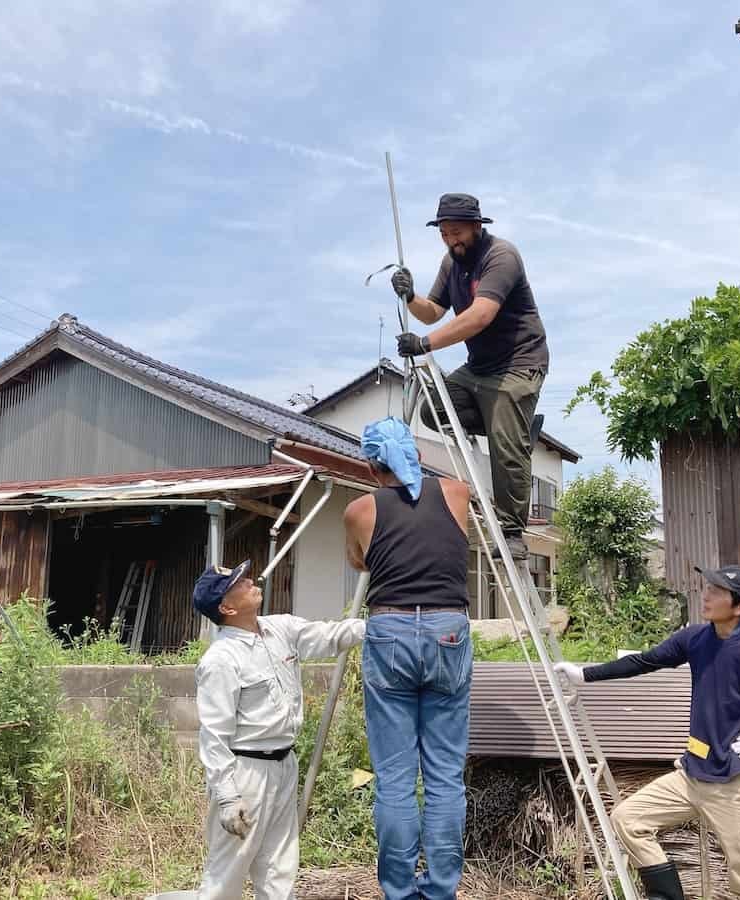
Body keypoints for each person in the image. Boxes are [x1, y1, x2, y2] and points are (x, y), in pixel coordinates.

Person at [555, 565, 740, 900]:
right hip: (691, 776)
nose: (706, 595)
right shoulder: (696, 638)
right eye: (707, 588)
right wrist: (584, 675)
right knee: (628, 819)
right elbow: (644, 661)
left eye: (716, 592)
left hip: (735, 785)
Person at [342, 417, 473, 900]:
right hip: (448, 630)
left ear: (371, 464)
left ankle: (398, 892)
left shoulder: (359, 509)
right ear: (415, 456)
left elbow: (359, 561)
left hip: (390, 628)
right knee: (443, 775)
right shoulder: (457, 493)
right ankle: (440, 890)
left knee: (394, 778)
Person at [193, 560, 366, 900]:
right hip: (245, 774)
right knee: (228, 871)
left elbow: (332, 636)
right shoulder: (221, 659)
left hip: (284, 765)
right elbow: (214, 735)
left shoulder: (281, 629)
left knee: (279, 867)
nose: (251, 581)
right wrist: (228, 796)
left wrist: (380, 626)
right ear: (226, 607)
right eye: (240, 584)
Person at [392, 192, 547, 561]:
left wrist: (424, 344)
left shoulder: (501, 257)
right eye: (444, 234)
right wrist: (411, 295)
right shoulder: (451, 263)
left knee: (505, 447)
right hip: (478, 369)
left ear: (477, 227)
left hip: (517, 364)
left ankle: (512, 531)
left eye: (457, 233)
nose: (451, 240)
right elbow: (431, 312)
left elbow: (479, 316)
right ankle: (512, 427)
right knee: (434, 409)